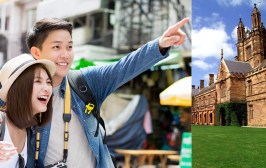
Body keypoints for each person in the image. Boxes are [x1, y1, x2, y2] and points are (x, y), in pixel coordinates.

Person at [2, 16, 189, 167]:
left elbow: (123, 67)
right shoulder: (21, 91)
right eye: (56, 47)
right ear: (36, 52)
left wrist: (160, 45)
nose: (65, 54)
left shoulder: (85, 83)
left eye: (69, 46)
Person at [0, 54, 56, 167]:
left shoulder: (30, 132)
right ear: (19, 88)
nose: (47, 88)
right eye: (38, 81)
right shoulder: (1, 122)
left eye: (48, 82)